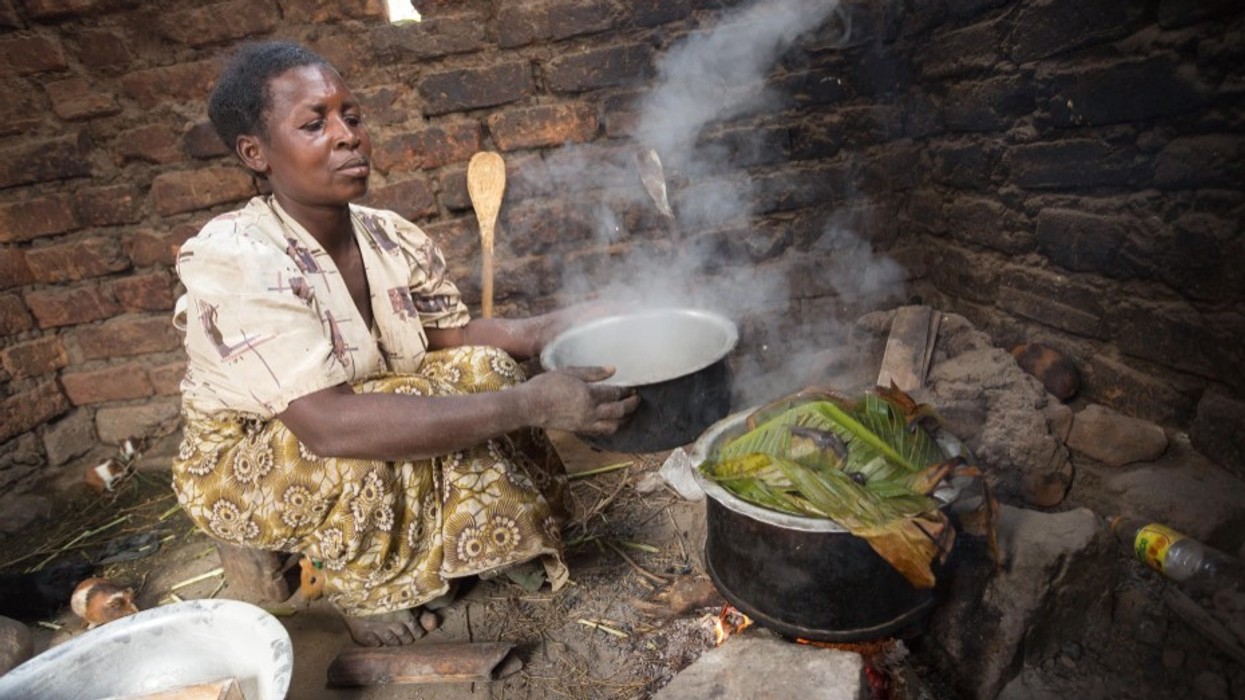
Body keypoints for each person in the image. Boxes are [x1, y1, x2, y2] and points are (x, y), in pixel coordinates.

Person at [170, 40, 639, 647]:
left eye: (352, 117)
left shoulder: (390, 236)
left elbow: (454, 339)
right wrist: (531, 405)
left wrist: (555, 325)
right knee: (386, 426)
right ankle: (365, 589)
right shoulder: (237, 257)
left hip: (354, 409)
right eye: (315, 123)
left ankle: (488, 542)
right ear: (255, 153)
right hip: (258, 457)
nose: (347, 137)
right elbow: (329, 426)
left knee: (486, 367)